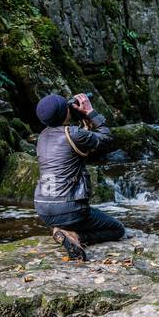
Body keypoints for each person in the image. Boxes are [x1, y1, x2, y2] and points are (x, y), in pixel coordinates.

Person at [33, 91, 125, 261]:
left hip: (43, 208)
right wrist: (90, 112)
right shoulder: (73, 133)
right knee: (118, 229)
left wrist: (83, 125)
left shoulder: (42, 136)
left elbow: (71, 153)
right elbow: (107, 138)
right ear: (64, 113)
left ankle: (60, 229)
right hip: (70, 209)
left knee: (70, 217)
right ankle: (74, 236)